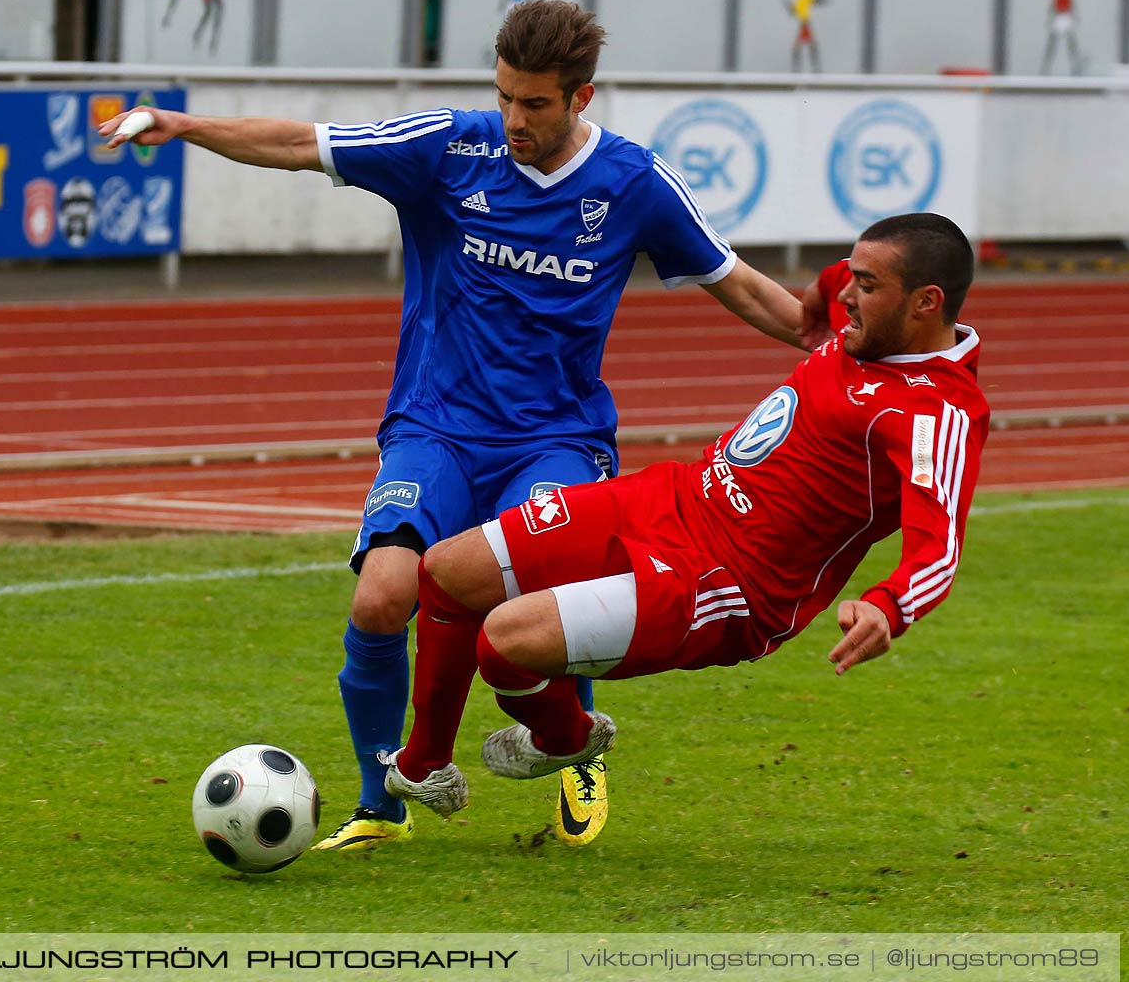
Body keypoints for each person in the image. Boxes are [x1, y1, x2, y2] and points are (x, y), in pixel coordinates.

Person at [98, 0, 822, 852]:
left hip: (557, 436)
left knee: (539, 608)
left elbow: (740, 285)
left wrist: (844, 344)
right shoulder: (449, 145)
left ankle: (575, 750)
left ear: (581, 97)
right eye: (507, 97)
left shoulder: (635, 183)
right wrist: (181, 125)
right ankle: (383, 803)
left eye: (537, 104)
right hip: (434, 426)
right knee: (382, 597)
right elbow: (302, 145)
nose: (515, 119)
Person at [377, 214, 990, 826]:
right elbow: (833, 285)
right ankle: (425, 764)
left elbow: (938, 549)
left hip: (729, 581)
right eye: (851, 277)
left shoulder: (935, 411)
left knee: (504, 644)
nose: (848, 296)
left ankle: (567, 737)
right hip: (675, 497)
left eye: (868, 285)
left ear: (926, 303)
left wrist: (889, 605)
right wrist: (823, 290)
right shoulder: (869, 320)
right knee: (448, 569)